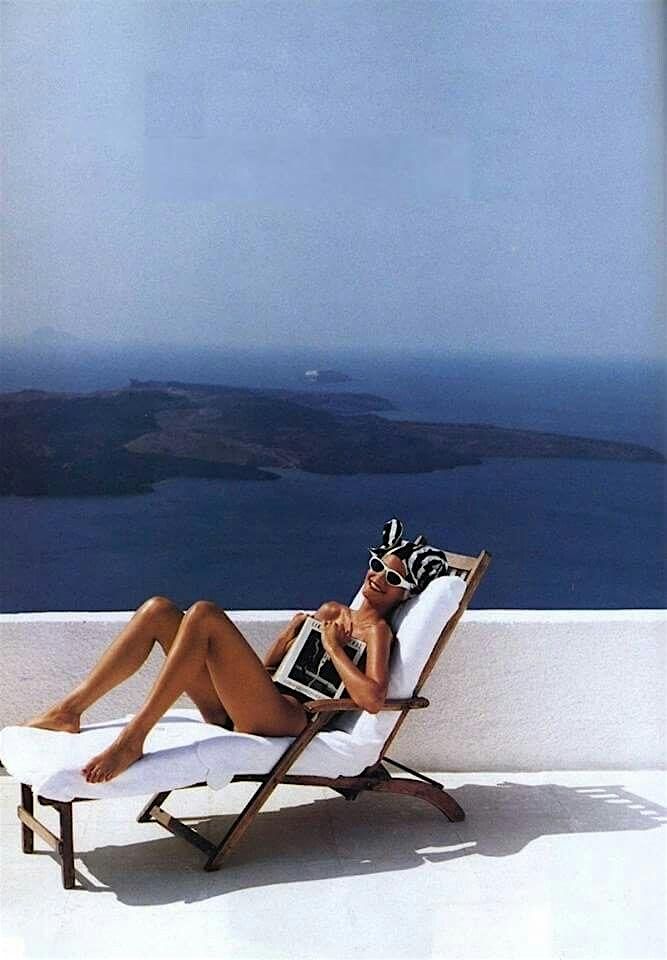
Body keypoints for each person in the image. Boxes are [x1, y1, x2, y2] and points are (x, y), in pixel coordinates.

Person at [24, 518, 450, 784]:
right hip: (254, 703)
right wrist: (288, 638)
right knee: (159, 610)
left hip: (291, 717)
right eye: (377, 566)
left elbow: (372, 699)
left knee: (205, 614)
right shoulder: (332, 611)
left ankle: (133, 739)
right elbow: (266, 670)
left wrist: (332, 648)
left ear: (405, 593)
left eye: (392, 579)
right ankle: (69, 711)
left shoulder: (377, 632)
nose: (378, 578)